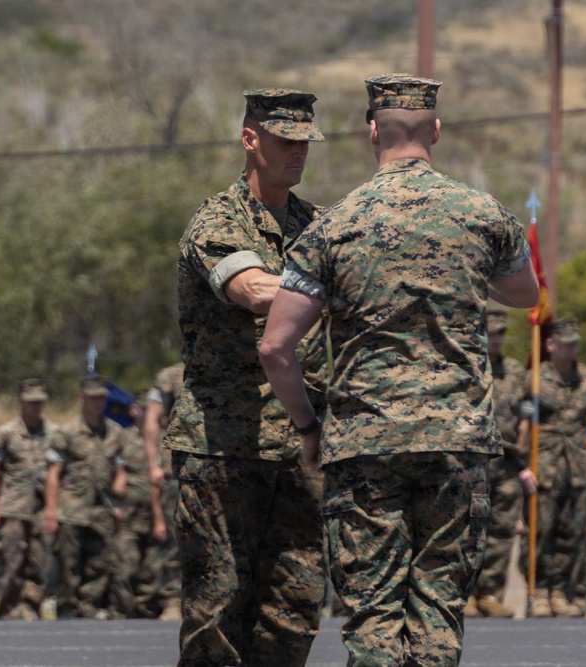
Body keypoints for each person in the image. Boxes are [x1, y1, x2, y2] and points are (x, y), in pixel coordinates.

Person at [259, 73, 539, 666]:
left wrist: (310, 429)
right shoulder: (483, 214)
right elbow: (524, 295)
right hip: (456, 441)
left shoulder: (331, 228)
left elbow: (276, 349)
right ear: (435, 131)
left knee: (373, 611)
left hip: (364, 443)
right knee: (437, 608)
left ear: (371, 133)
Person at [163, 87, 329, 666]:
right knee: (217, 619)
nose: (298, 153)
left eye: (305, 141)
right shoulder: (218, 221)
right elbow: (256, 291)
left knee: (294, 611)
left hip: (300, 446)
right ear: (250, 139)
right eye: (286, 140)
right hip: (223, 451)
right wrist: (332, 290)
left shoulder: (318, 226)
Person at [516, 317, 586, 618]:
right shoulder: (535, 378)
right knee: (541, 529)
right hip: (545, 462)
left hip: (579, 462)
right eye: (565, 344)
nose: (571, 349)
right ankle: (539, 590)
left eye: (574, 344)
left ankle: (559, 591)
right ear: (550, 345)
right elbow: (525, 424)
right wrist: (523, 463)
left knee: (573, 530)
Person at [43, 376, 128, 619]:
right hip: (72, 506)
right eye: (92, 398)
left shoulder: (114, 432)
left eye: (101, 398)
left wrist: (119, 501)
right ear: (82, 399)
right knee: (69, 561)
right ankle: (68, 606)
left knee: (101, 559)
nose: (98, 403)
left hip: (102, 507)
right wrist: (50, 511)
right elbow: (53, 474)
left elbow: (120, 470)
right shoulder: (67, 432)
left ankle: (89, 604)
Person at [467, 309, 533, 619]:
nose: (496, 339)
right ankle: (465, 593)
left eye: (500, 333)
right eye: (491, 332)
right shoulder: (468, 366)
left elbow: (525, 415)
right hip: (474, 457)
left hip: (507, 460)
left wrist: (523, 455)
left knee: (503, 529)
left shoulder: (515, 371)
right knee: (468, 527)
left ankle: (489, 593)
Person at [0, 379, 59, 621]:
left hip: (41, 507)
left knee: (41, 559)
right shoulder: (4, 433)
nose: (36, 407)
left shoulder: (54, 433)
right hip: (13, 506)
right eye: (31, 403)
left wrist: (52, 509)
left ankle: (34, 603)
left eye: (39, 402)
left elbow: (57, 473)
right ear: (20, 402)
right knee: (10, 557)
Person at [112, 390, 170, 618]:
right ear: (134, 410)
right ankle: (122, 610)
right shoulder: (122, 437)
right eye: (142, 409)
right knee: (125, 564)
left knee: (154, 567)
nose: (145, 414)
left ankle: (145, 610)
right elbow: (113, 475)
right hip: (129, 512)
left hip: (158, 512)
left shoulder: (164, 440)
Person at [141, 362, 183, 620]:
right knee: (174, 539)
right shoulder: (169, 376)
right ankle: (173, 599)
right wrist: (152, 464)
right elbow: (152, 420)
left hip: (223, 464)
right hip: (176, 468)